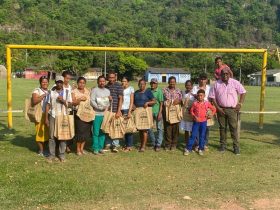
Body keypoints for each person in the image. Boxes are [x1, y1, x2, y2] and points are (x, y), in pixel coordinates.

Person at [209, 68, 246, 155]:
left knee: (233, 128)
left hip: (232, 110)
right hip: (220, 109)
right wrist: (218, 108)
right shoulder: (216, 84)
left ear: (229, 74)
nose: (225, 75)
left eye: (227, 74)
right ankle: (223, 146)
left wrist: (240, 104)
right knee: (222, 128)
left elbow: (243, 92)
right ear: (220, 75)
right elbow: (212, 97)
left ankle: (236, 147)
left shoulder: (234, 82)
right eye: (223, 74)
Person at [45, 76, 72, 162]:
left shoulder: (67, 92)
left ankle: (61, 154)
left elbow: (71, 105)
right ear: (55, 82)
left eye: (61, 82)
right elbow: (48, 105)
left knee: (63, 136)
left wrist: (63, 101)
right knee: (51, 136)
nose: (59, 84)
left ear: (63, 82)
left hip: (63, 116)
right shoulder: (51, 92)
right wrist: (46, 118)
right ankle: (52, 154)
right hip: (53, 115)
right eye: (58, 82)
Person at [184, 89, 216, 156]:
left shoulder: (207, 103)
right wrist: (194, 116)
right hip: (196, 122)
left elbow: (214, 109)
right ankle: (188, 149)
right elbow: (191, 111)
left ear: (204, 96)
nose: (200, 97)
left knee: (202, 136)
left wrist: (211, 115)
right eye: (198, 96)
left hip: (203, 122)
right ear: (197, 96)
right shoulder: (195, 103)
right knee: (193, 135)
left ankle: (201, 149)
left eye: (201, 95)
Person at [90, 75, 111, 155]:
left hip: (105, 114)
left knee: (103, 131)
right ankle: (95, 148)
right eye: (100, 81)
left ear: (105, 82)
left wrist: (106, 106)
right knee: (96, 132)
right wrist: (98, 107)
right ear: (98, 82)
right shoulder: (95, 90)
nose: (102, 82)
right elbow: (92, 101)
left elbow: (108, 102)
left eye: (103, 81)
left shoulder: (107, 91)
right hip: (96, 114)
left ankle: (100, 147)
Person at [134, 79, 156, 152]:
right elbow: (133, 102)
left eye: (143, 84)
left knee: (145, 130)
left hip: (145, 113)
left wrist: (148, 103)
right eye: (140, 84)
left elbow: (154, 101)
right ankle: (141, 144)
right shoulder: (136, 92)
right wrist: (134, 106)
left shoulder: (148, 92)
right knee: (140, 129)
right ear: (138, 85)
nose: (141, 85)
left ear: (145, 85)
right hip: (138, 113)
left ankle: (143, 146)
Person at [72, 77, 91, 156]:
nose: (81, 84)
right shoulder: (74, 91)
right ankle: (78, 149)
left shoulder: (88, 91)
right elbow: (73, 103)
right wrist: (80, 99)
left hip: (88, 113)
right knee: (80, 132)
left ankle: (82, 149)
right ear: (77, 83)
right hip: (78, 114)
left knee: (86, 132)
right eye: (80, 82)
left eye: (83, 83)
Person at [192, 73, 212, 150]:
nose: (202, 80)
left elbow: (212, 98)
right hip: (198, 110)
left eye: (204, 79)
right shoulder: (195, 88)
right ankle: (197, 144)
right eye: (201, 78)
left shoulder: (209, 88)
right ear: (199, 79)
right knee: (197, 127)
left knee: (207, 127)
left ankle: (204, 144)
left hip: (207, 109)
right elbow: (193, 98)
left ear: (206, 80)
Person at [105, 71, 123, 153]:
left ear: (115, 77)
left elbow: (120, 98)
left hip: (116, 110)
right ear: (107, 77)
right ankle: (108, 144)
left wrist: (119, 111)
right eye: (110, 77)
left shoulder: (119, 86)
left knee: (115, 127)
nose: (111, 79)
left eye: (113, 77)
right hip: (107, 110)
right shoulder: (106, 86)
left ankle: (115, 145)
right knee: (108, 127)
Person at [162, 76, 182, 150]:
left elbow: (181, 100)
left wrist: (179, 101)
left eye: (173, 82)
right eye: (171, 82)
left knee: (175, 128)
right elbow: (161, 100)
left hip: (175, 112)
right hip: (167, 111)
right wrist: (166, 103)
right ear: (168, 82)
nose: (172, 83)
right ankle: (167, 144)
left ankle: (174, 144)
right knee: (167, 128)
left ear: (175, 82)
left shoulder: (178, 90)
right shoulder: (164, 90)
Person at [31, 75, 50, 156]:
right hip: (39, 114)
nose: (45, 83)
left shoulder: (50, 91)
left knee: (47, 133)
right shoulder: (37, 90)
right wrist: (42, 96)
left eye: (46, 82)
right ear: (40, 83)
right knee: (39, 133)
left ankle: (45, 149)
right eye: (43, 82)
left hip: (48, 114)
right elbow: (34, 101)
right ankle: (41, 151)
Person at [147, 78, 164, 152]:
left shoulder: (159, 91)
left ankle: (158, 144)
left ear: (157, 84)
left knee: (159, 128)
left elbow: (161, 103)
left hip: (157, 112)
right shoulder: (148, 90)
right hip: (149, 112)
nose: (152, 84)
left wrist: (160, 113)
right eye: (151, 83)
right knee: (149, 128)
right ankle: (154, 142)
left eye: (154, 83)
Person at [121, 76, 134, 152]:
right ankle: (126, 144)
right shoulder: (120, 89)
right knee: (123, 128)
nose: (123, 82)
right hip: (121, 109)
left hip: (127, 110)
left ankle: (129, 146)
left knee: (128, 128)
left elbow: (132, 101)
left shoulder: (131, 89)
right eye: (122, 81)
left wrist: (129, 111)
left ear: (128, 82)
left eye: (125, 81)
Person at [180, 80, 195, 145]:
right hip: (185, 113)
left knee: (192, 129)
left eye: (189, 85)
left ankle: (192, 143)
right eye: (187, 85)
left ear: (192, 86)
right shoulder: (183, 92)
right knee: (186, 129)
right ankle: (186, 142)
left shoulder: (194, 94)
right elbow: (181, 102)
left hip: (192, 113)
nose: (188, 86)